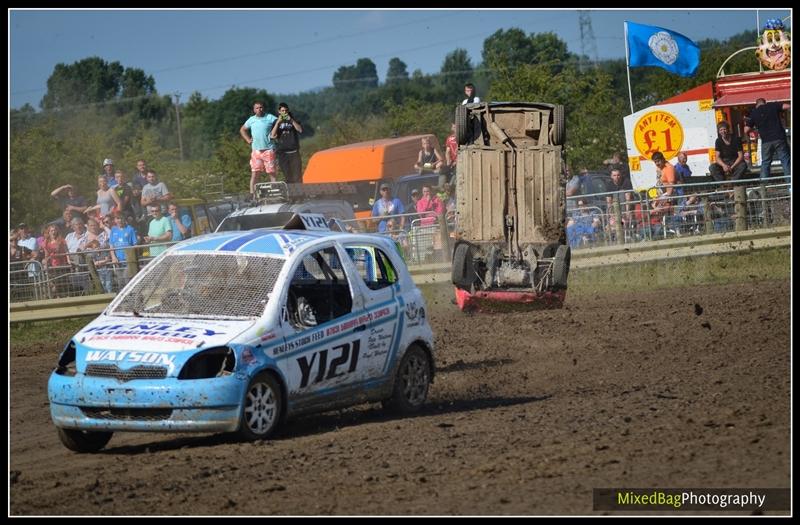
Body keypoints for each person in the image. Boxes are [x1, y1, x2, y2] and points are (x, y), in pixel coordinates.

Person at [744, 98, 791, 179]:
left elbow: (746, 130)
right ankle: (790, 185)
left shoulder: (754, 113)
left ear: (756, 104)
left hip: (766, 141)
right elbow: (787, 106)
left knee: (765, 163)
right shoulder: (772, 105)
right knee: (785, 161)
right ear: (765, 103)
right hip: (779, 138)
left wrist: (752, 133)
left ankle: (764, 186)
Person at [240, 100, 278, 194]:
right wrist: (248, 140)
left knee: (271, 173)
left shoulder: (269, 117)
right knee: (255, 173)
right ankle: (252, 194)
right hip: (256, 151)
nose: (259, 109)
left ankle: (274, 192)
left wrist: (276, 133)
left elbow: (279, 123)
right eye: (257, 108)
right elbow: (242, 130)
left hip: (268, 149)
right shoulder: (251, 119)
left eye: (261, 107)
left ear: (263, 108)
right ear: (254, 110)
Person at [270, 102, 304, 184]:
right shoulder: (276, 122)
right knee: (288, 176)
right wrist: (278, 122)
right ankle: (292, 194)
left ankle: (300, 194)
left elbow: (300, 130)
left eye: (286, 110)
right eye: (282, 111)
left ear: (288, 111)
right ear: (279, 112)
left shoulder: (293, 120)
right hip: (282, 153)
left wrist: (291, 120)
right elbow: (272, 135)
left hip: (294, 152)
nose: (284, 112)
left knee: (297, 175)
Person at [109, 212, 138, 288]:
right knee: (120, 282)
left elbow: (135, 244)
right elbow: (111, 245)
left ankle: (131, 298)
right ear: (115, 220)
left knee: (127, 280)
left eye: (121, 218)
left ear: (124, 219)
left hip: (128, 260)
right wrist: (113, 257)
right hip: (118, 261)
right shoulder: (113, 230)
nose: (120, 220)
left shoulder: (130, 229)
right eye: (117, 218)